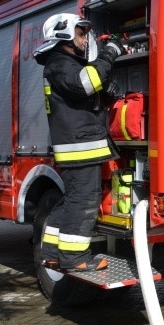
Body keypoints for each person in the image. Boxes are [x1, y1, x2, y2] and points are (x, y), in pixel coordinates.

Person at [33, 13, 125, 272]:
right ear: (64, 33)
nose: (86, 40)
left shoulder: (62, 63)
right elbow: (84, 83)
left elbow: (84, 90)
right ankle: (75, 258)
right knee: (83, 201)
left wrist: (105, 90)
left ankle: (51, 252)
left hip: (78, 145)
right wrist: (110, 54)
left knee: (71, 200)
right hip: (79, 148)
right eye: (81, 33)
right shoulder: (60, 63)